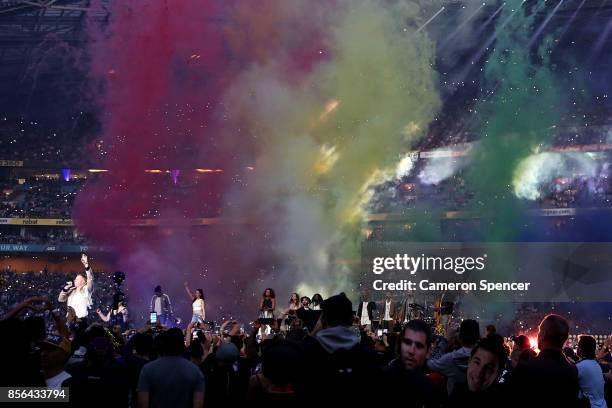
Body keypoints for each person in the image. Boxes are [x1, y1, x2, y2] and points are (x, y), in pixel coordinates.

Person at [300, 292, 378, 405]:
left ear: (323, 320)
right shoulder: (367, 356)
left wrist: (315, 330)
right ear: (351, 319)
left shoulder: (309, 354)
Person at [509, 314, 579, 407]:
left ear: (543, 335)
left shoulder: (526, 368)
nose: (538, 334)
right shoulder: (573, 370)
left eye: (539, 331)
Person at [137, 328, 205, 408]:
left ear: (164, 344)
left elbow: (142, 404)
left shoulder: (147, 369)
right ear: (182, 345)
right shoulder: (195, 371)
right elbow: (198, 404)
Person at [379, 320, 434, 407]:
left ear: (428, 352)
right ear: (400, 344)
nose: (411, 351)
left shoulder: (430, 390)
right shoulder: (380, 380)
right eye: (407, 342)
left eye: (419, 346)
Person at [447, 334, 509, 407]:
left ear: (499, 374)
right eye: (477, 362)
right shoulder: (457, 391)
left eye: (488, 368)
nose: (480, 372)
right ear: (469, 361)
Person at [427, 318, 480, 395]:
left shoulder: (451, 359)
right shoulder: (484, 358)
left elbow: (431, 363)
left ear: (460, 338)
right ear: (478, 337)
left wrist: (446, 339)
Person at [58, 254, 94, 320]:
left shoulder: (86, 290)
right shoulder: (71, 290)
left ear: (84, 282)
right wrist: (65, 288)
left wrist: (86, 264)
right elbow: (60, 299)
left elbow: (90, 277)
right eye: (75, 279)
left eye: (77, 279)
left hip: (80, 320)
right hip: (70, 320)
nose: (75, 280)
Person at [576, 335, 607, 408]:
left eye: (578, 345)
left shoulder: (579, 367)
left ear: (581, 349)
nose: (577, 348)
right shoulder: (596, 364)